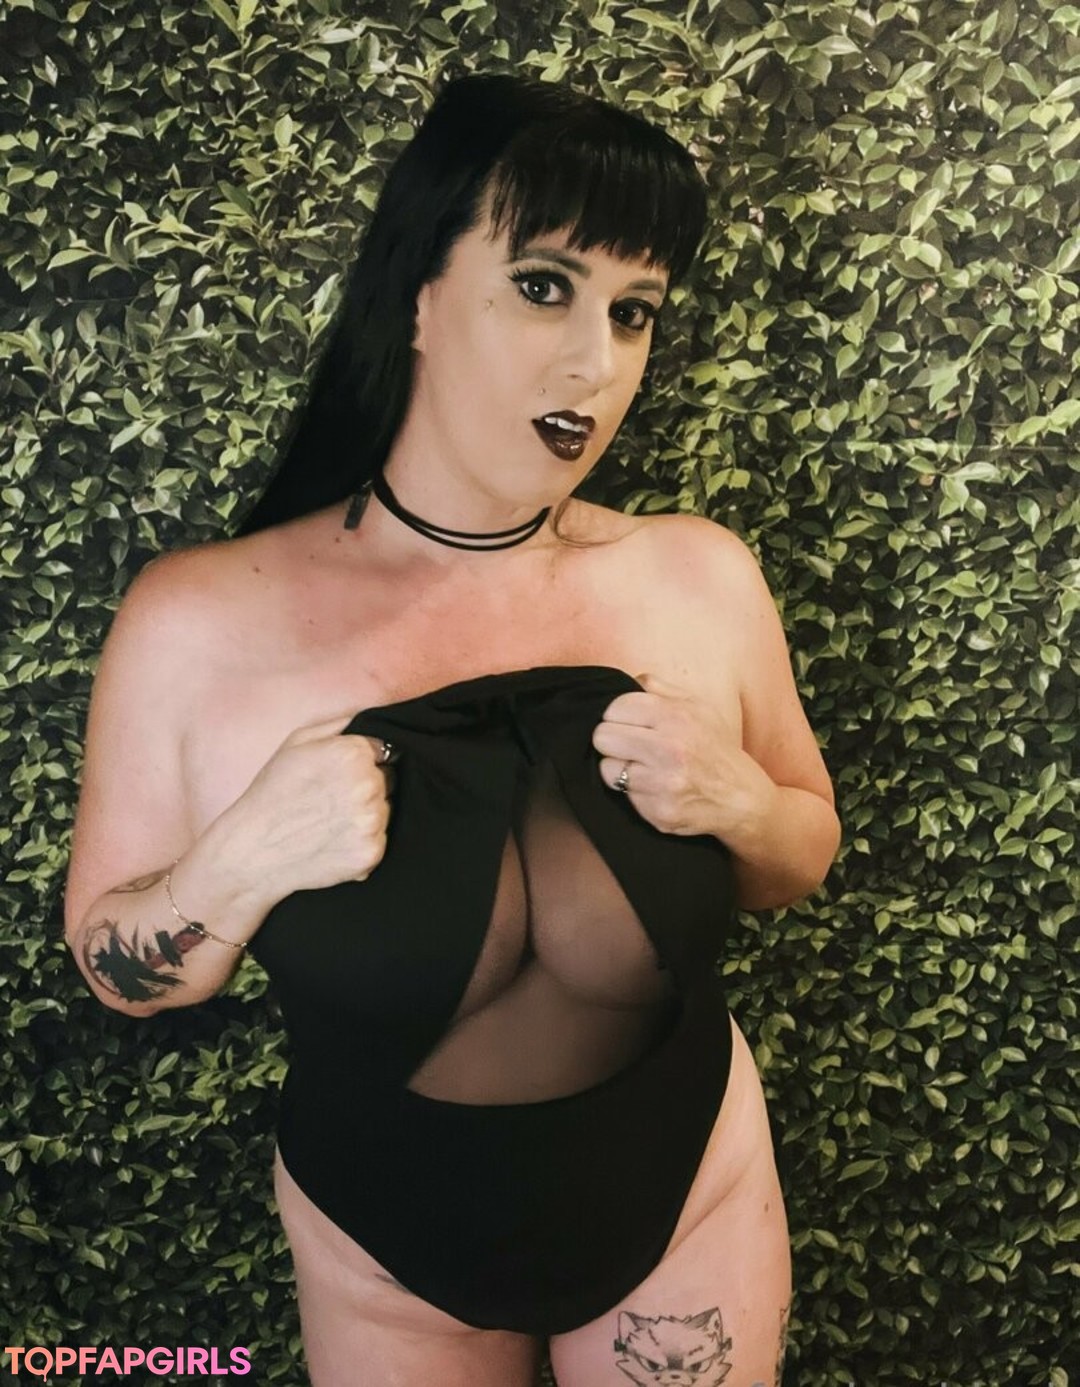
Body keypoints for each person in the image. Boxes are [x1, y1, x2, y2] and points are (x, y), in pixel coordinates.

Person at [65, 73, 841, 1387]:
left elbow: (803, 853)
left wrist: (743, 808)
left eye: (633, 311)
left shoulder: (698, 579)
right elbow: (115, 961)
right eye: (544, 286)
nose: (597, 363)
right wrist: (236, 863)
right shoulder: (198, 622)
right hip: (384, 1252)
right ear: (419, 295)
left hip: (686, 1203)